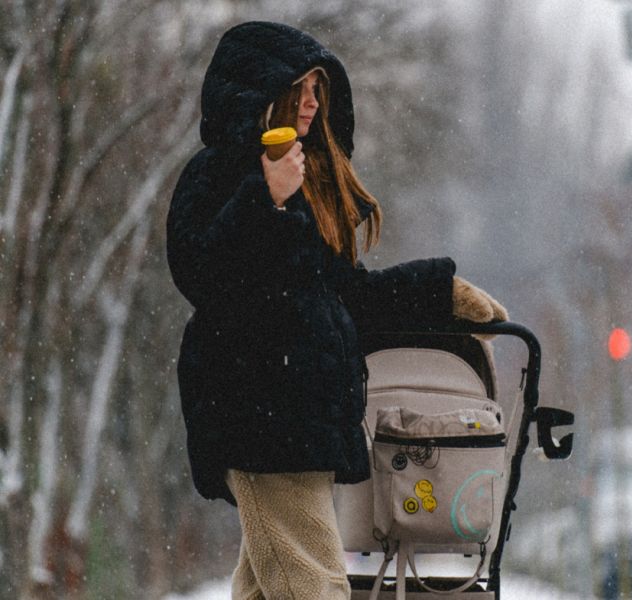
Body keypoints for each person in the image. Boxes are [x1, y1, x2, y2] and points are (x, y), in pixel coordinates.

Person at [165, 21, 508, 600]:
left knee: (266, 584)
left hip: (301, 416)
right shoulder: (220, 173)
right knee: (314, 583)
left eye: (317, 90)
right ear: (261, 92)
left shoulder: (306, 179)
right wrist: (265, 197)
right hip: (257, 412)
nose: (310, 102)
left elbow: (342, 296)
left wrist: (440, 291)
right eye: (298, 88)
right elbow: (203, 277)